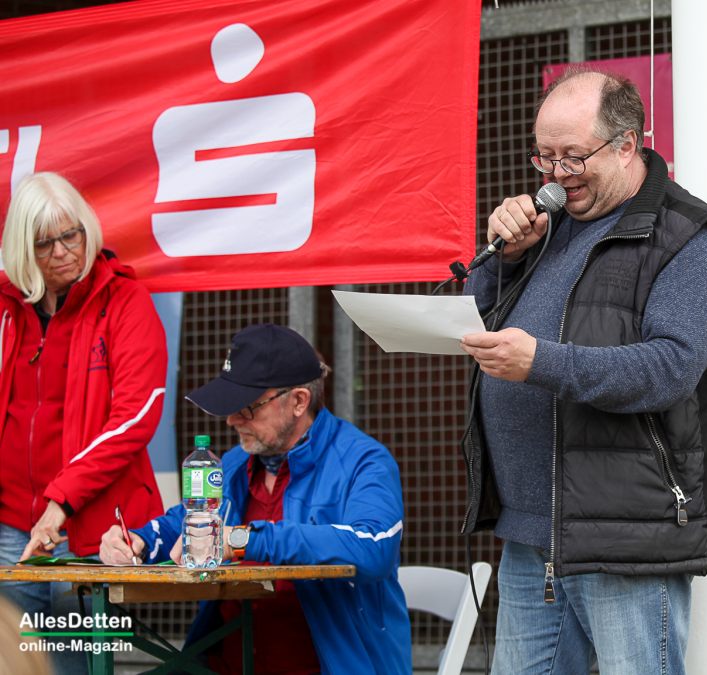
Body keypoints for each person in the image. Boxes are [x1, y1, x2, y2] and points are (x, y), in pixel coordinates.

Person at [460, 67, 707, 674]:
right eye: (544, 158)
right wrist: (502, 261)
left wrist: (541, 361)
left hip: (627, 538)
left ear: (626, 144)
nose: (556, 177)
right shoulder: (546, 229)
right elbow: (475, 317)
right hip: (531, 531)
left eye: (571, 157)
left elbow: (668, 370)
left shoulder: (688, 239)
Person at [98, 324, 411, 675]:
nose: (232, 420)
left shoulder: (364, 460)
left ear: (297, 401)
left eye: (247, 407)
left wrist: (241, 539)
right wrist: (140, 540)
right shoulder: (235, 462)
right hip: (225, 663)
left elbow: (374, 549)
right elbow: (184, 522)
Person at [0, 172, 167, 674]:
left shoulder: (125, 301)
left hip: (87, 527)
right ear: (22, 249)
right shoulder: (7, 310)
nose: (62, 252)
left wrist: (59, 502)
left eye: (70, 235)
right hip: (9, 524)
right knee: (16, 662)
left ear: (87, 229)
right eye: (44, 243)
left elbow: (136, 416)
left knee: (73, 663)